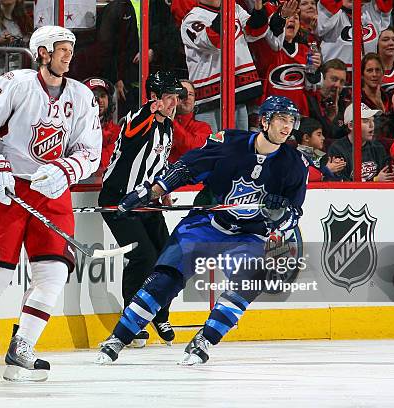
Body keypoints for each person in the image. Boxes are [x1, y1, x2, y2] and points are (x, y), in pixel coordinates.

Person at [95, 96, 308, 365]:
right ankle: (119, 337)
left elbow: (294, 215)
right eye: (281, 119)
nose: (287, 127)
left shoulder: (295, 164)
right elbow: (186, 168)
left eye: (291, 121)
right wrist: (149, 192)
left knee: (250, 281)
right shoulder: (229, 142)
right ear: (265, 121)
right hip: (207, 223)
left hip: (250, 234)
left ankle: (204, 340)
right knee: (165, 278)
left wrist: (280, 214)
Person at [0, 25, 101, 383]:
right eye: (62, 49)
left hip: (51, 190)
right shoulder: (14, 83)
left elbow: (90, 150)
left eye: (70, 49)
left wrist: (67, 170)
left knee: (55, 272)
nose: (69, 55)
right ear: (43, 52)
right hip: (6, 186)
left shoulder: (81, 96)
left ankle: (23, 347)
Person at [99, 71, 184, 347]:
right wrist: (151, 108)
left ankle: (159, 313)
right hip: (119, 201)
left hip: (147, 202)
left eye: (176, 97)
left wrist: (165, 190)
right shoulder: (138, 118)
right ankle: (131, 321)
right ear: (154, 98)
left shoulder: (167, 127)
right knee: (144, 257)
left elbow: (159, 164)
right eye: (169, 97)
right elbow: (134, 132)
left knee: (169, 257)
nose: (174, 103)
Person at [181, 0, 262, 132]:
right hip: (208, 99)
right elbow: (213, 40)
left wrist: (259, 8)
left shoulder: (234, 8)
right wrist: (226, 8)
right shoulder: (192, 18)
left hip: (236, 92)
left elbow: (254, 31)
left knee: (237, 143)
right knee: (211, 146)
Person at [328, 103, 394, 182]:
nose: (371, 125)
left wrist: (390, 172)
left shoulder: (378, 147)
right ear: (351, 126)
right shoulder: (337, 149)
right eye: (366, 121)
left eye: (372, 120)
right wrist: (374, 181)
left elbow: (385, 176)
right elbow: (342, 185)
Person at [82, 77, 121, 173]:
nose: (99, 101)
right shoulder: (74, 130)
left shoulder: (117, 132)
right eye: (93, 95)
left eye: (103, 96)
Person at [306, 58, 350, 141]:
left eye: (342, 82)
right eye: (334, 79)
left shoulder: (344, 104)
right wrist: (330, 118)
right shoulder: (309, 101)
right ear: (322, 78)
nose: (337, 85)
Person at [169, 79, 213, 163]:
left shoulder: (203, 127)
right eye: (183, 93)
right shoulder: (160, 122)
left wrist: (172, 121)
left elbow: (193, 150)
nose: (187, 97)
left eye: (191, 94)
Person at [294, 117, 345, 181]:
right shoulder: (294, 158)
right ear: (306, 138)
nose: (323, 138)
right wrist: (327, 170)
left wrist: (336, 170)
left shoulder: (323, 157)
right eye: (319, 135)